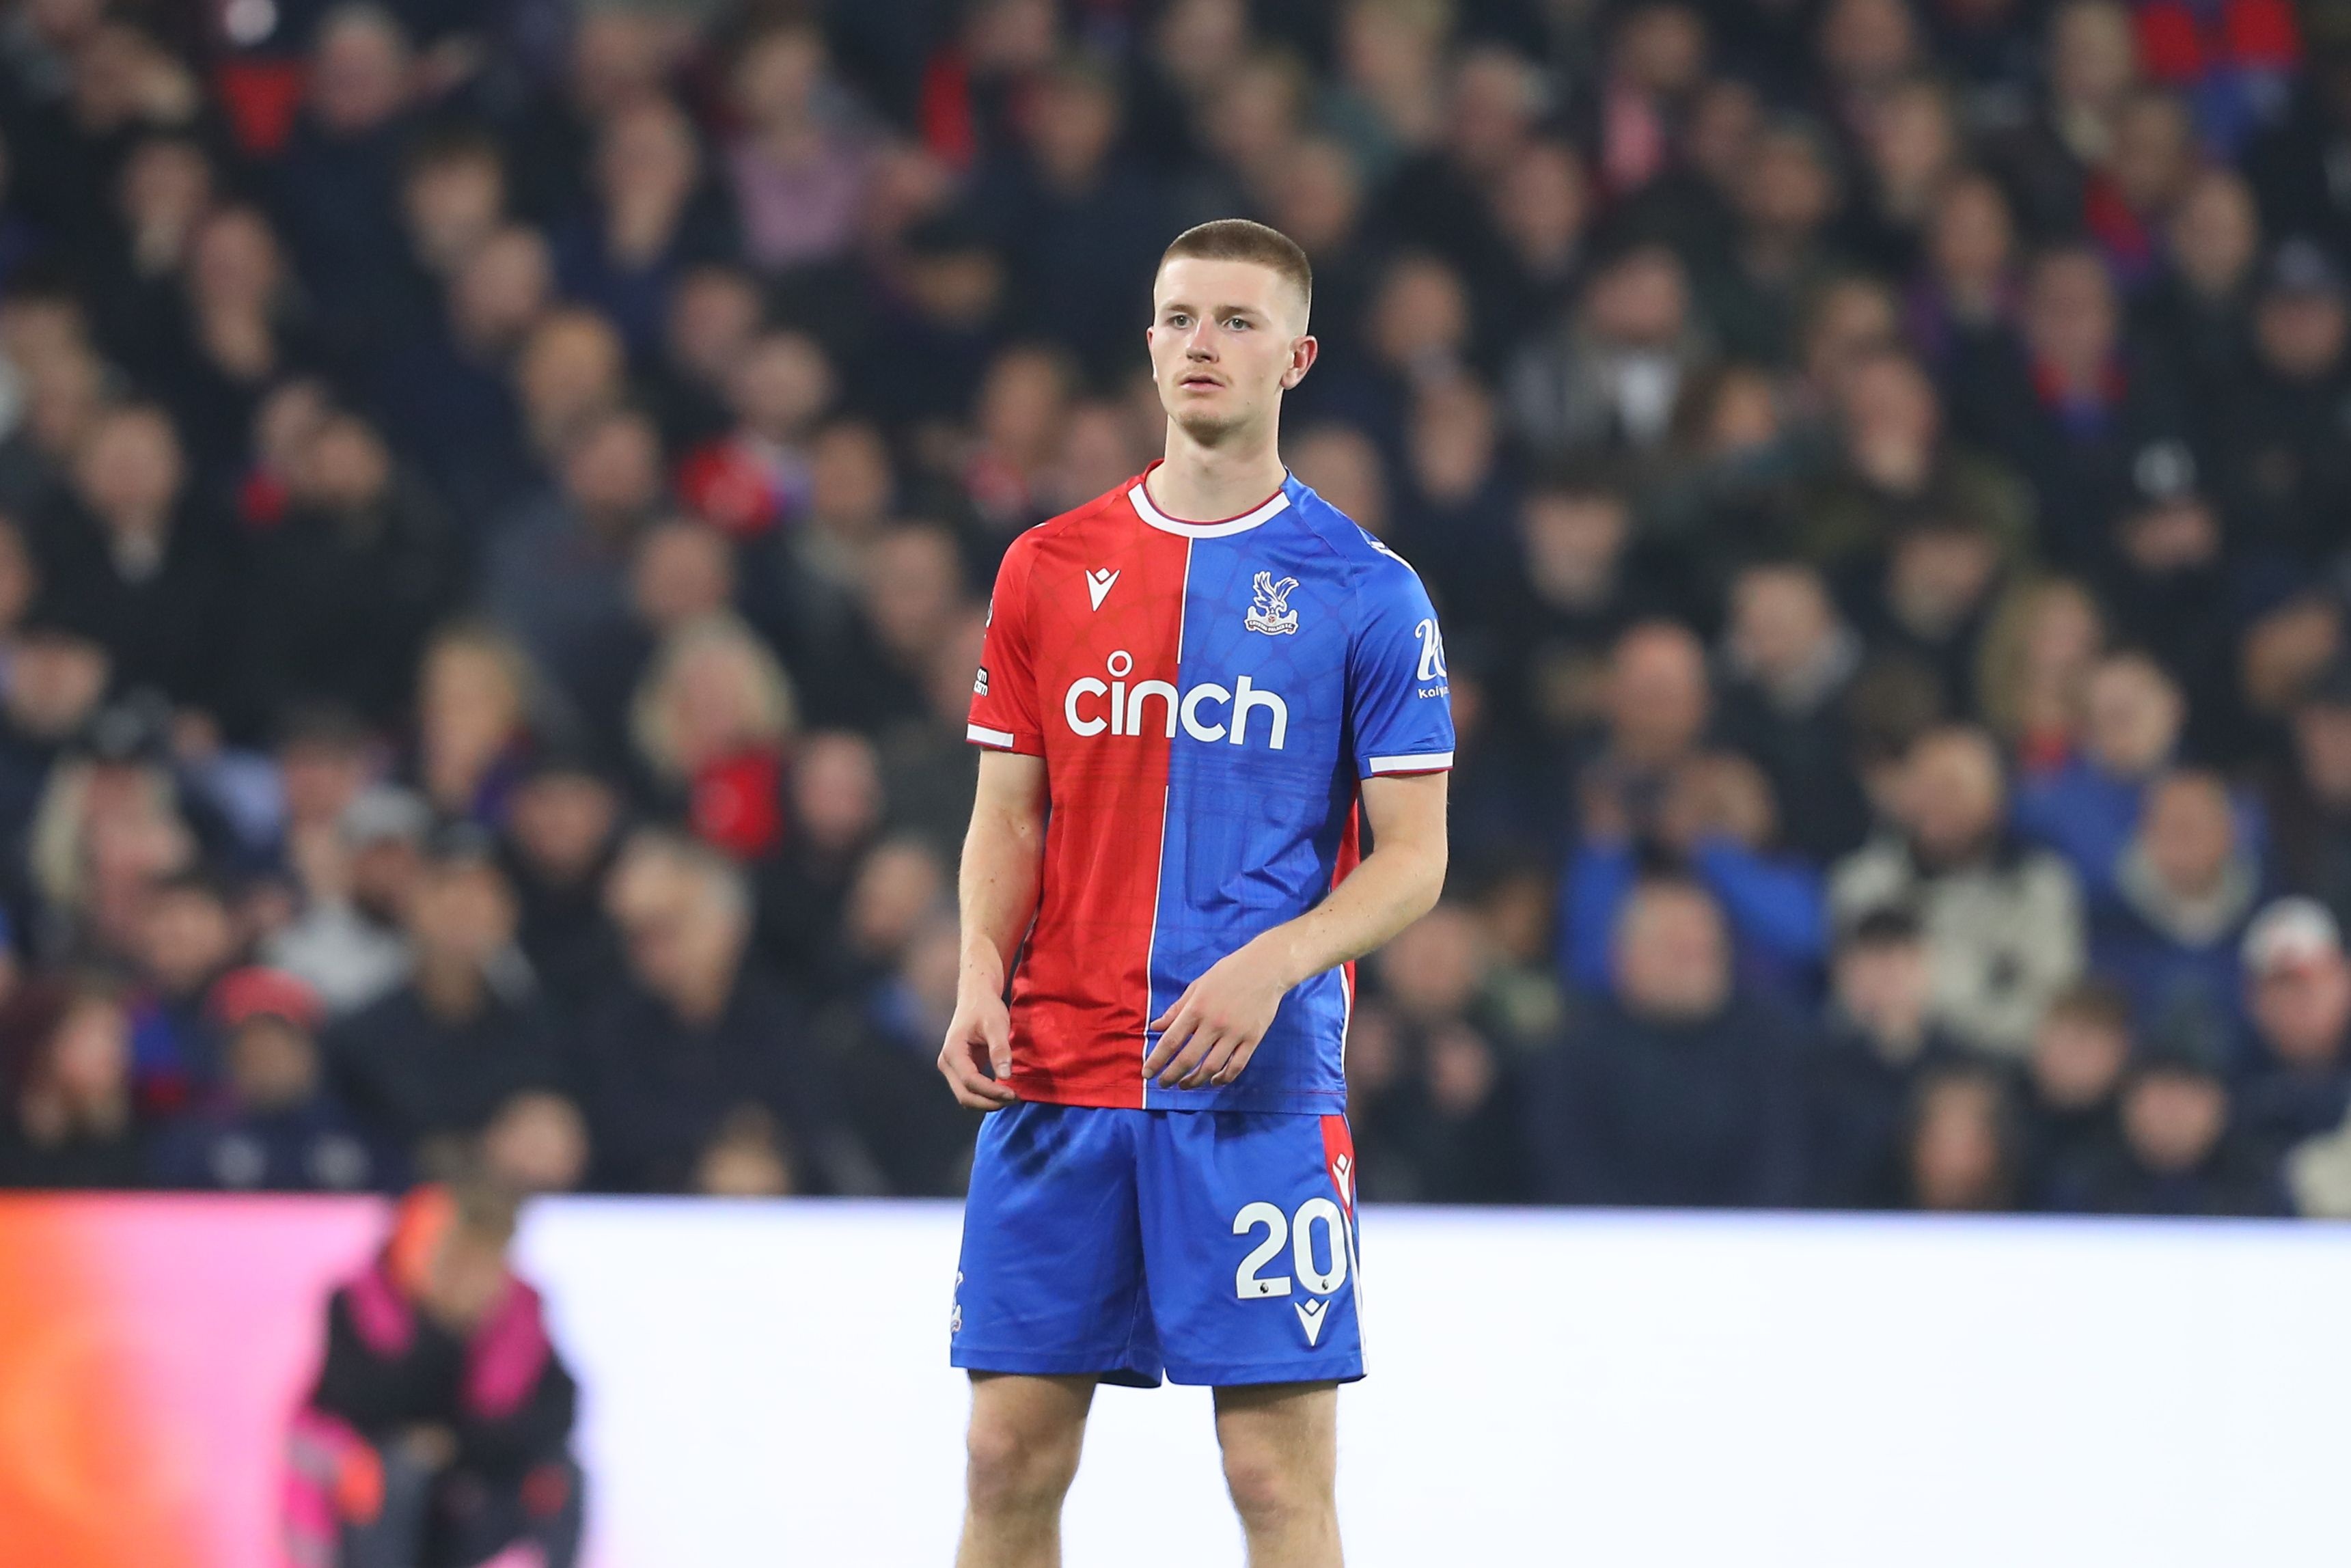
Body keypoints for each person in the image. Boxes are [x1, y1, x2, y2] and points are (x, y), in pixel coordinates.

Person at [939, 219, 1451, 1568]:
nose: (1200, 345)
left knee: (1273, 1476)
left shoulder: (1367, 592)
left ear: (1297, 357)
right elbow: (1009, 812)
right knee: (1003, 1456)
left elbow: (1414, 858)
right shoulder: (1046, 566)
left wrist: (1273, 963)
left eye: (1235, 321)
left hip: (1254, 1085)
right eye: (1178, 318)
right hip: (1057, 1068)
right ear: (1149, 341)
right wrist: (977, 971)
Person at [284, 1178, 583, 1568]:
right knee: (399, 1466)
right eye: (461, 1254)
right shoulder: (361, 1300)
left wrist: (459, 1442)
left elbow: (559, 1409)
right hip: (374, 1494)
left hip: (474, 1481)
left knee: (563, 1474)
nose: (473, 1272)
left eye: (486, 1258)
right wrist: (442, 1326)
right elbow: (358, 1402)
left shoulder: (520, 1317)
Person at [1527, 877, 1806, 1207]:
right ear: (1622, 957)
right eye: (1677, 949)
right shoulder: (1575, 1050)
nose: (1694, 964)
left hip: (1743, 1233)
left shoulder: (1770, 1043)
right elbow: (1568, 1167)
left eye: (1705, 948)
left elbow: (1782, 1165)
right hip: (1609, 1233)